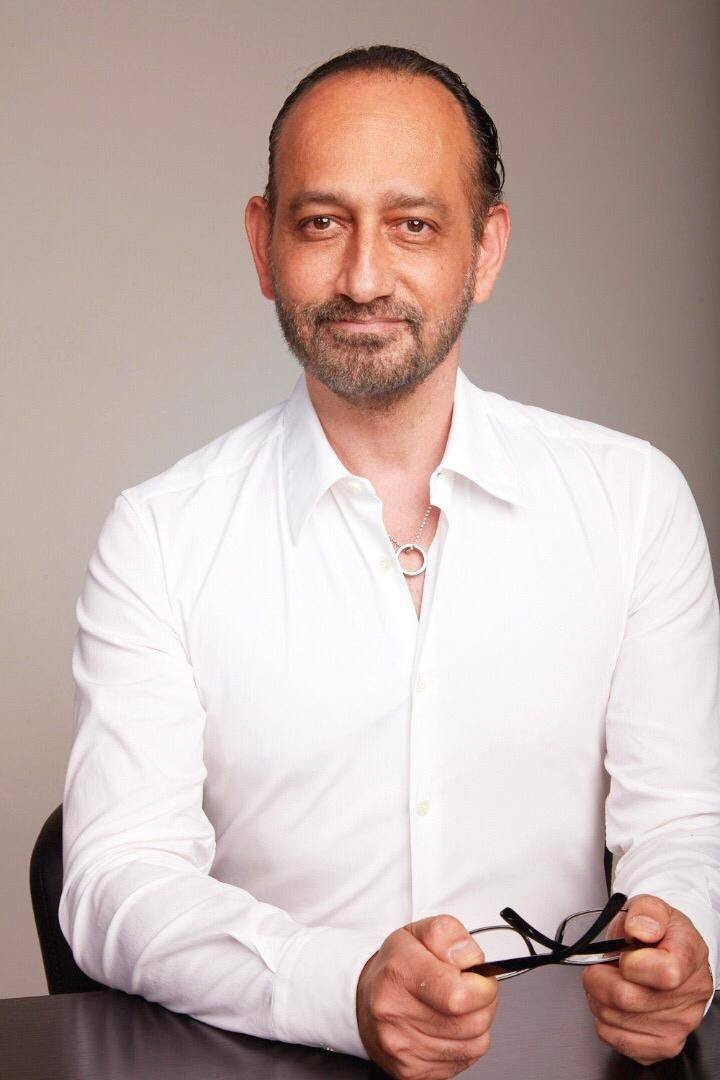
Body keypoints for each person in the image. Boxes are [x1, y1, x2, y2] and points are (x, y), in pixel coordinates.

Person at [59, 45, 719, 1078]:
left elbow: (684, 821)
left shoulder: (634, 504)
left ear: (485, 250)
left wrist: (684, 934)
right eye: (322, 223)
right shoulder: (159, 535)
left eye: (414, 225)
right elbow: (114, 883)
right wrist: (343, 986)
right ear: (263, 245)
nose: (364, 276)